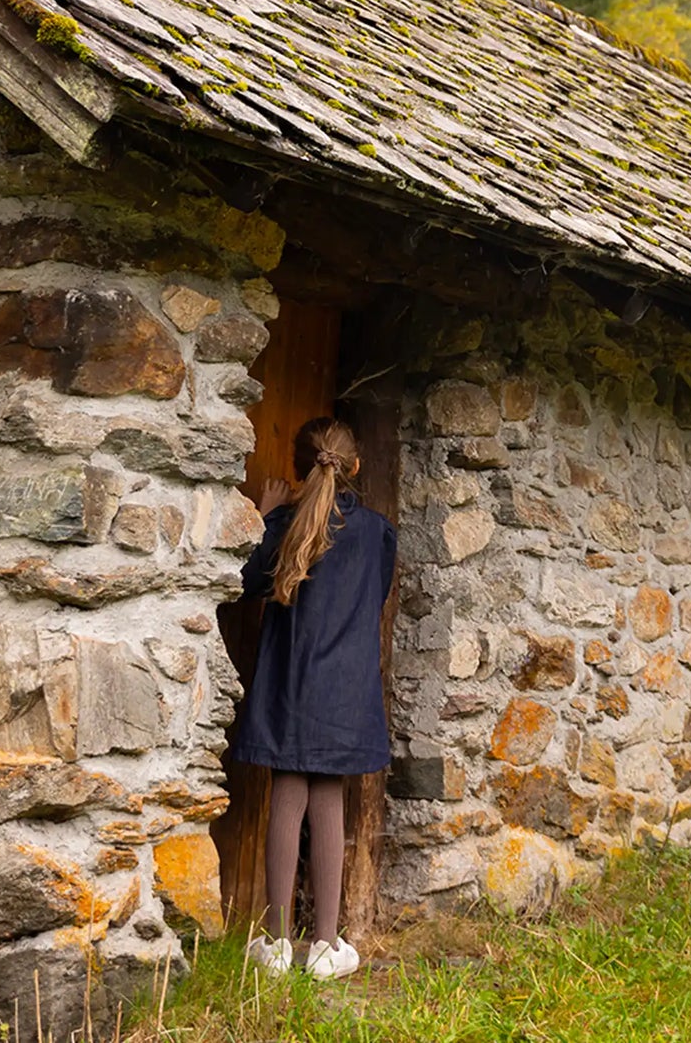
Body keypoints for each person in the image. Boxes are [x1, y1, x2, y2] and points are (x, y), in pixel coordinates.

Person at [233, 416, 397, 981]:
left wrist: (264, 514)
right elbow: (376, 595)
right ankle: (327, 948)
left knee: (287, 797)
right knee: (329, 801)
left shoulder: (284, 523)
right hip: (345, 689)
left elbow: (248, 582)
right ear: (354, 467)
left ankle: (277, 947)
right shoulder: (377, 532)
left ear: (300, 466)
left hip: (290, 683)